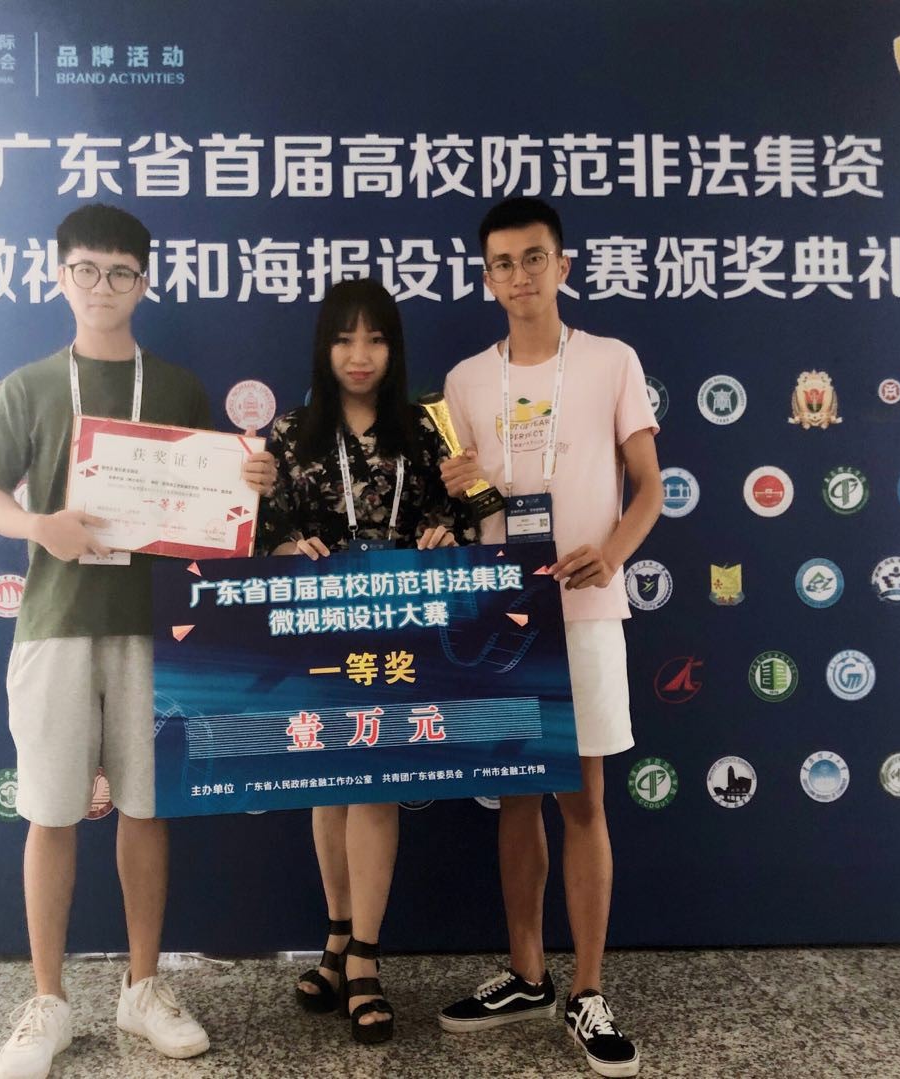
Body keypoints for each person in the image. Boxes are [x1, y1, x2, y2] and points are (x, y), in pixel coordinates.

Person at [0, 204, 278, 1079]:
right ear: (59, 275)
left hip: (153, 625)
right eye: (87, 270)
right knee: (49, 810)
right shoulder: (29, 386)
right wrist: (39, 525)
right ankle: (49, 999)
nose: (102, 287)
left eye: (120, 273)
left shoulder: (175, 386)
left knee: (146, 805)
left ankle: (142, 986)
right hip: (56, 620)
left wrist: (252, 478)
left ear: (145, 283)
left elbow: (215, 506)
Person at [434, 197, 661, 1077]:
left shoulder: (610, 360)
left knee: (584, 800)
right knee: (514, 797)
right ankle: (528, 973)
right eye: (503, 262)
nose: (520, 275)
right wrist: (457, 491)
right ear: (487, 278)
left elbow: (649, 486)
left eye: (534, 258)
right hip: (500, 617)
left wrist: (613, 553)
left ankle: (588, 989)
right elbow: (466, 505)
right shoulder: (464, 381)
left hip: (585, 610)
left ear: (563, 266)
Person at [258, 276, 474, 1044]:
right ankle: (338, 936)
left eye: (375, 338)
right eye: (345, 338)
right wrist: (284, 545)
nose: (359, 354)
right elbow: (261, 533)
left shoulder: (423, 428)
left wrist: (447, 533)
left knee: (375, 785)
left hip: (401, 631)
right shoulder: (292, 432)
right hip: (320, 629)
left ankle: (365, 960)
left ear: (394, 348)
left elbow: (461, 517)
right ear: (325, 346)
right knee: (331, 783)